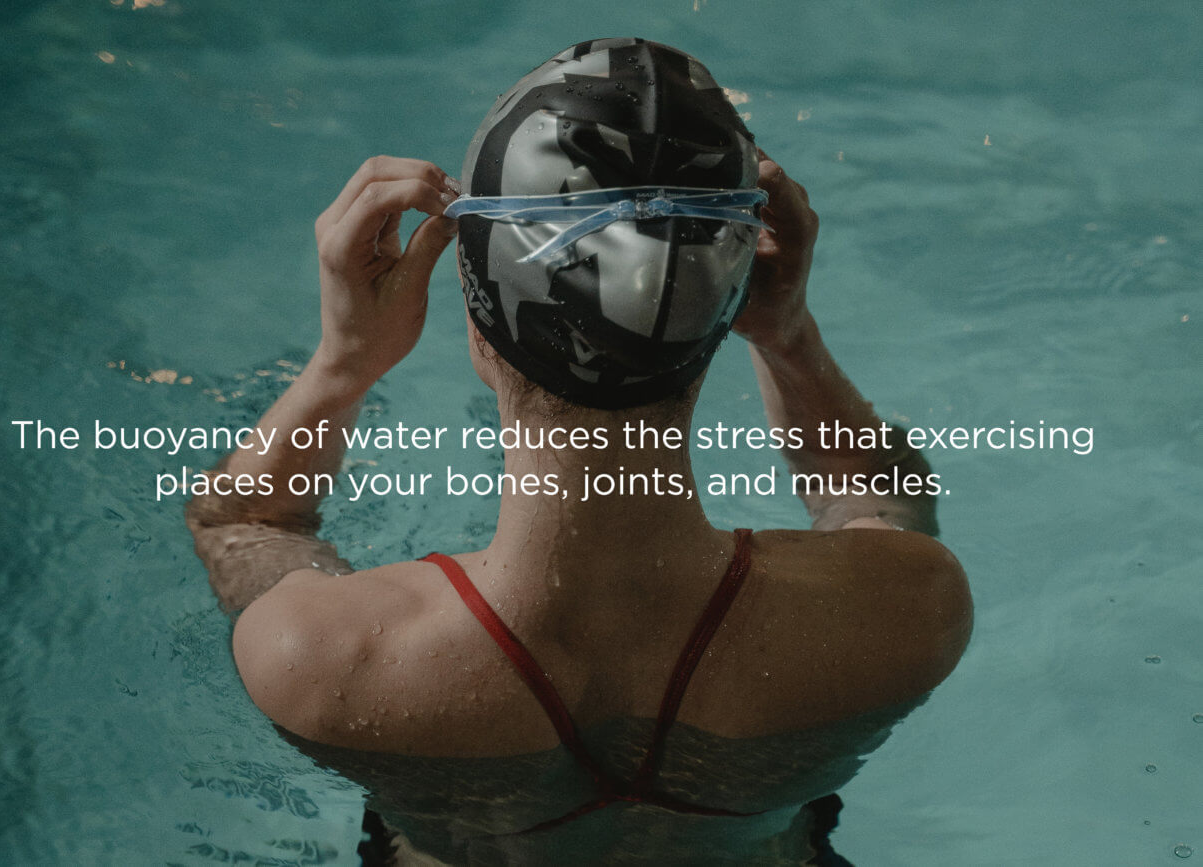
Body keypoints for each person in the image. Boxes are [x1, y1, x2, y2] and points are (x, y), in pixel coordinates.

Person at [187, 38, 972, 866]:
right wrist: (789, 337)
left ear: (477, 326)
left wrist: (344, 360)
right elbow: (876, 501)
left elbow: (242, 523)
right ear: (723, 313)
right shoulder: (907, 614)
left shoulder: (321, 659)